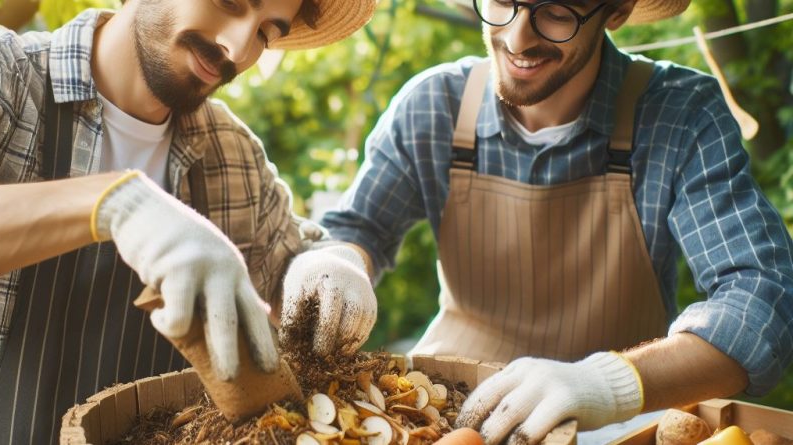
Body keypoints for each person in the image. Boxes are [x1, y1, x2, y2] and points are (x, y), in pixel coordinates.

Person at [282, 0, 793, 443]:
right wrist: (340, 259)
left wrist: (607, 383)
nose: (516, 35)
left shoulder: (679, 115)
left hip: (614, 425)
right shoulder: (434, 106)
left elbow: (763, 298)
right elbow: (358, 228)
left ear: (615, 10)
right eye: (504, 0)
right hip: (448, 411)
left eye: (556, 11)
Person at [0, 0, 375, 443]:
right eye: (230, 3)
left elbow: (300, 257)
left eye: (265, 34)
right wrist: (115, 203)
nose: (237, 49)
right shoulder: (7, 78)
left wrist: (338, 262)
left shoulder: (232, 153)